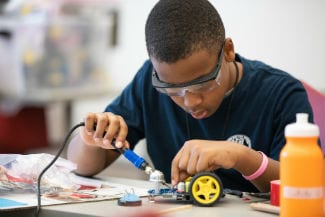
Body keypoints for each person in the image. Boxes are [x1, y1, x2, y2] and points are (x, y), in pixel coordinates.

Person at [67, 0, 313, 193]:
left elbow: (306, 186)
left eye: (204, 85)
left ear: (227, 51)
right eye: (173, 91)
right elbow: (83, 167)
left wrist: (242, 157)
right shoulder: (148, 82)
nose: (190, 102)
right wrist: (89, 141)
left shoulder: (281, 94)